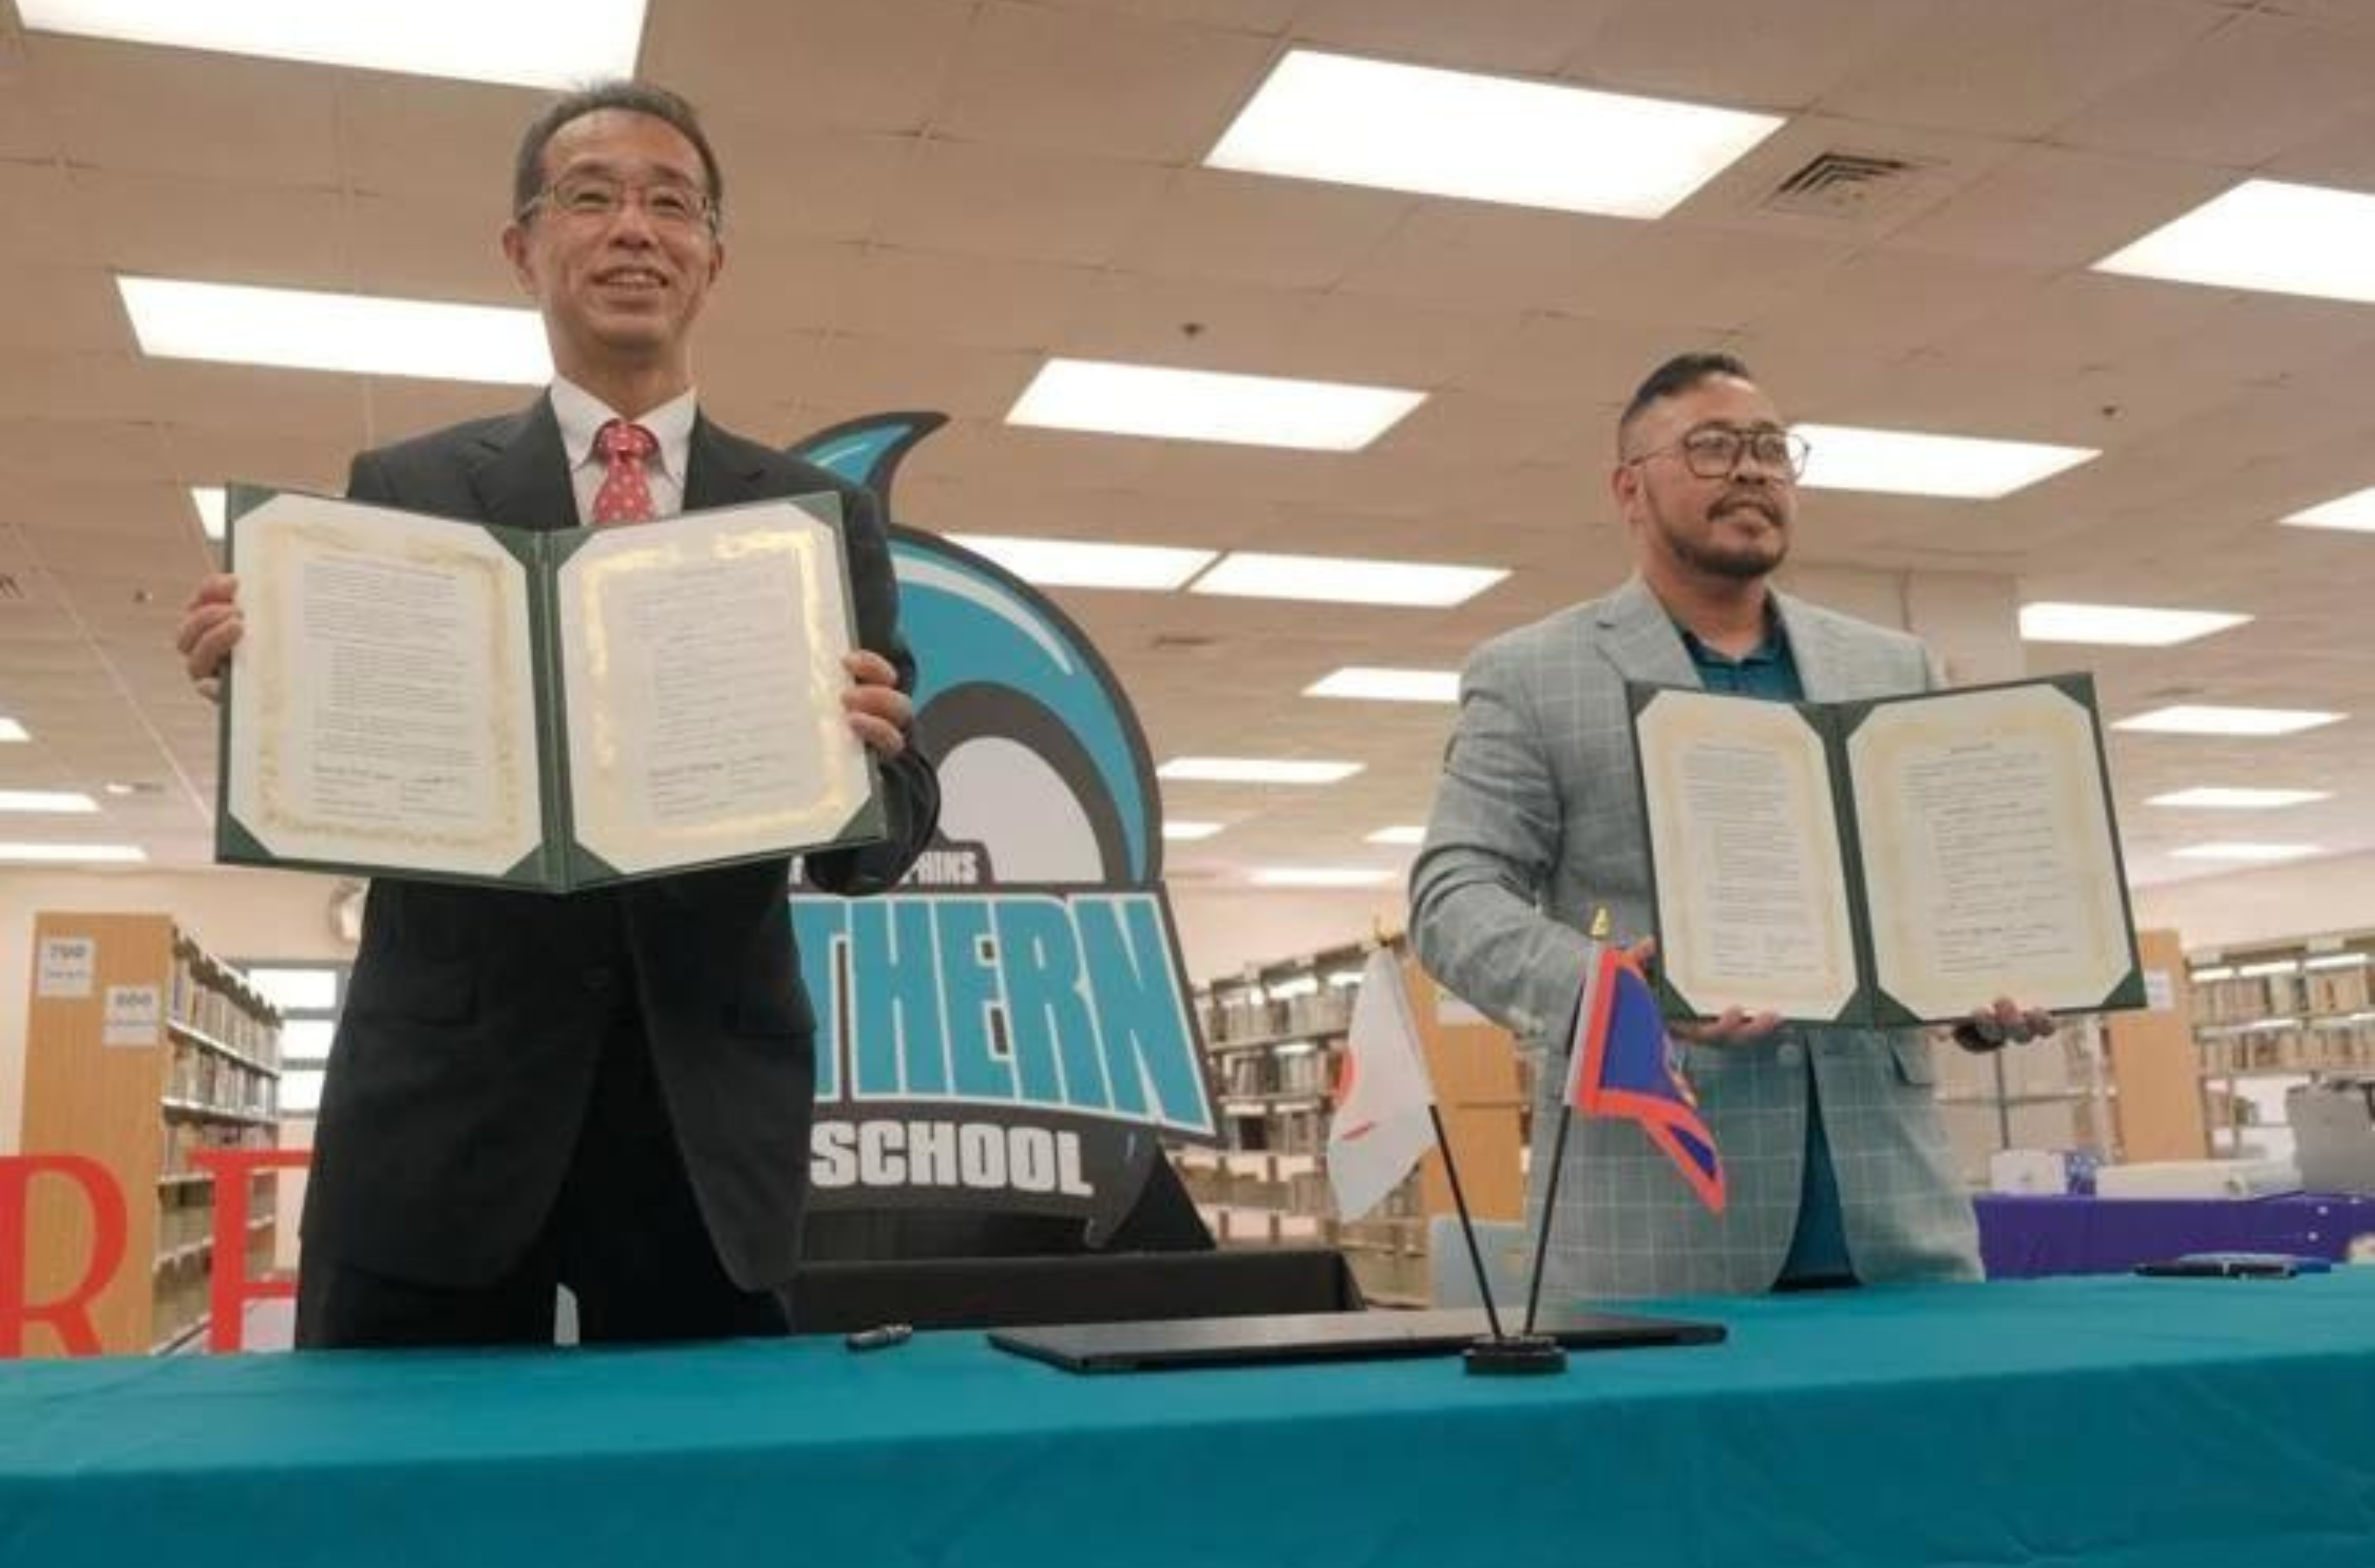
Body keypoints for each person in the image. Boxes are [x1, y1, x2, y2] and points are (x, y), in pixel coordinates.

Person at [174, 81, 940, 1348]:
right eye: (591, 196)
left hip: (704, 1123)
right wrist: (267, 693)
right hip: (442, 1120)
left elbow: (884, 836)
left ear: (713, 258)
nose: (634, 228)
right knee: (406, 1515)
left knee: (697, 1515)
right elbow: (352, 766)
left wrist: (873, 763)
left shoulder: (810, 518)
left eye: (671, 203)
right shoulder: (407, 487)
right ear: (524, 250)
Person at [1409, 351, 2051, 1301]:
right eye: (1711, 447)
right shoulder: (1532, 672)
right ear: (1629, 489)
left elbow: (1931, 899)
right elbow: (1450, 901)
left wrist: (1990, 979)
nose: (1751, 470)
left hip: (1894, 1228)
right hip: (1658, 1226)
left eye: (1770, 449)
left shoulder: (1894, 665)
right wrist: (1626, 994)